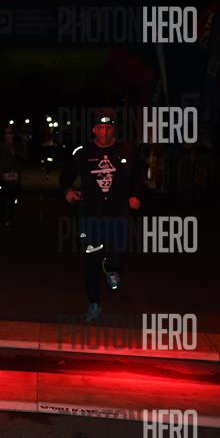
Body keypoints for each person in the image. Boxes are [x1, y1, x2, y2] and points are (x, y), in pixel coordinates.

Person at [60, 109, 143, 322]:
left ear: (114, 130)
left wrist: (136, 195)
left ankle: (112, 269)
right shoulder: (82, 152)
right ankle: (94, 304)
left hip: (118, 216)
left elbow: (138, 178)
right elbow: (65, 177)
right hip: (91, 218)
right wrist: (68, 190)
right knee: (91, 260)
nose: (105, 132)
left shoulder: (126, 151)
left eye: (108, 127)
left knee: (116, 258)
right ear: (94, 130)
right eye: (101, 127)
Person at [0, 126, 27, 227]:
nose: (8, 135)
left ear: (13, 135)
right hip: (2, 178)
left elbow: (25, 160)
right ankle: (2, 217)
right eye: (6, 133)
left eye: (10, 133)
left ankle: (10, 218)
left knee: (12, 200)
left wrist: (16, 154)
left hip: (14, 179)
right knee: (1, 200)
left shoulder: (18, 147)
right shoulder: (0, 147)